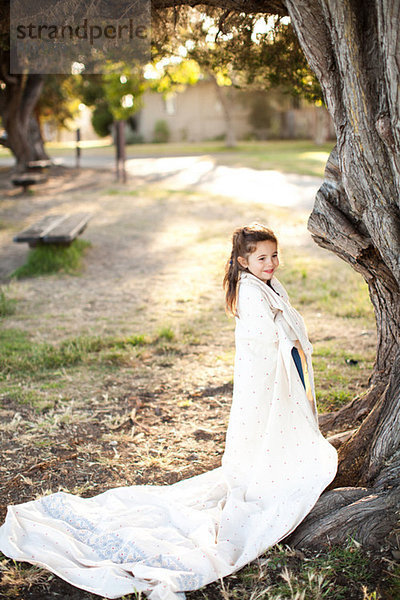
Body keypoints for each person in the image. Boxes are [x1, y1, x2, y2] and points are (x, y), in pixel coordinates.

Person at [0, 223, 337, 600]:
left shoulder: (268, 286)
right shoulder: (250, 292)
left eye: (274, 256)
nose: (272, 262)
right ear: (243, 261)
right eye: (262, 257)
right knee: (261, 432)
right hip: (263, 379)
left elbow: (285, 325)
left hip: (275, 374)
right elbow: (264, 338)